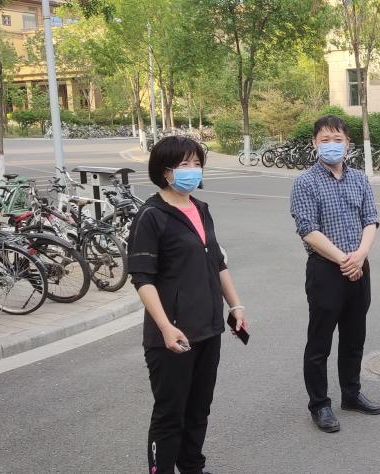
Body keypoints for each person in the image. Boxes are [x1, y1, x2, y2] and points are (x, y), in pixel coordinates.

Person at [127, 136, 248, 474]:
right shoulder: (151, 216)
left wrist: (235, 306)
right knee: (170, 414)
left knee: (198, 409)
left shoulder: (201, 209)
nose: (192, 170)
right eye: (184, 164)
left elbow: (217, 263)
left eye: (197, 163)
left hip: (208, 329)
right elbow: (142, 278)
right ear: (164, 171)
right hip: (173, 335)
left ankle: (192, 466)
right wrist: (165, 327)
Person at [290, 115, 380, 433]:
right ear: (314, 143)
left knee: (355, 337)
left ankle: (351, 394)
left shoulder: (359, 179)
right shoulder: (305, 182)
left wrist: (361, 255)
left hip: (359, 266)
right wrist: (345, 260)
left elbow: (370, 220)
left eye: (338, 140)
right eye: (325, 140)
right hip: (326, 270)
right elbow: (308, 229)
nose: (332, 145)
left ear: (348, 144)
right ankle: (320, 405)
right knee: (320, 343)